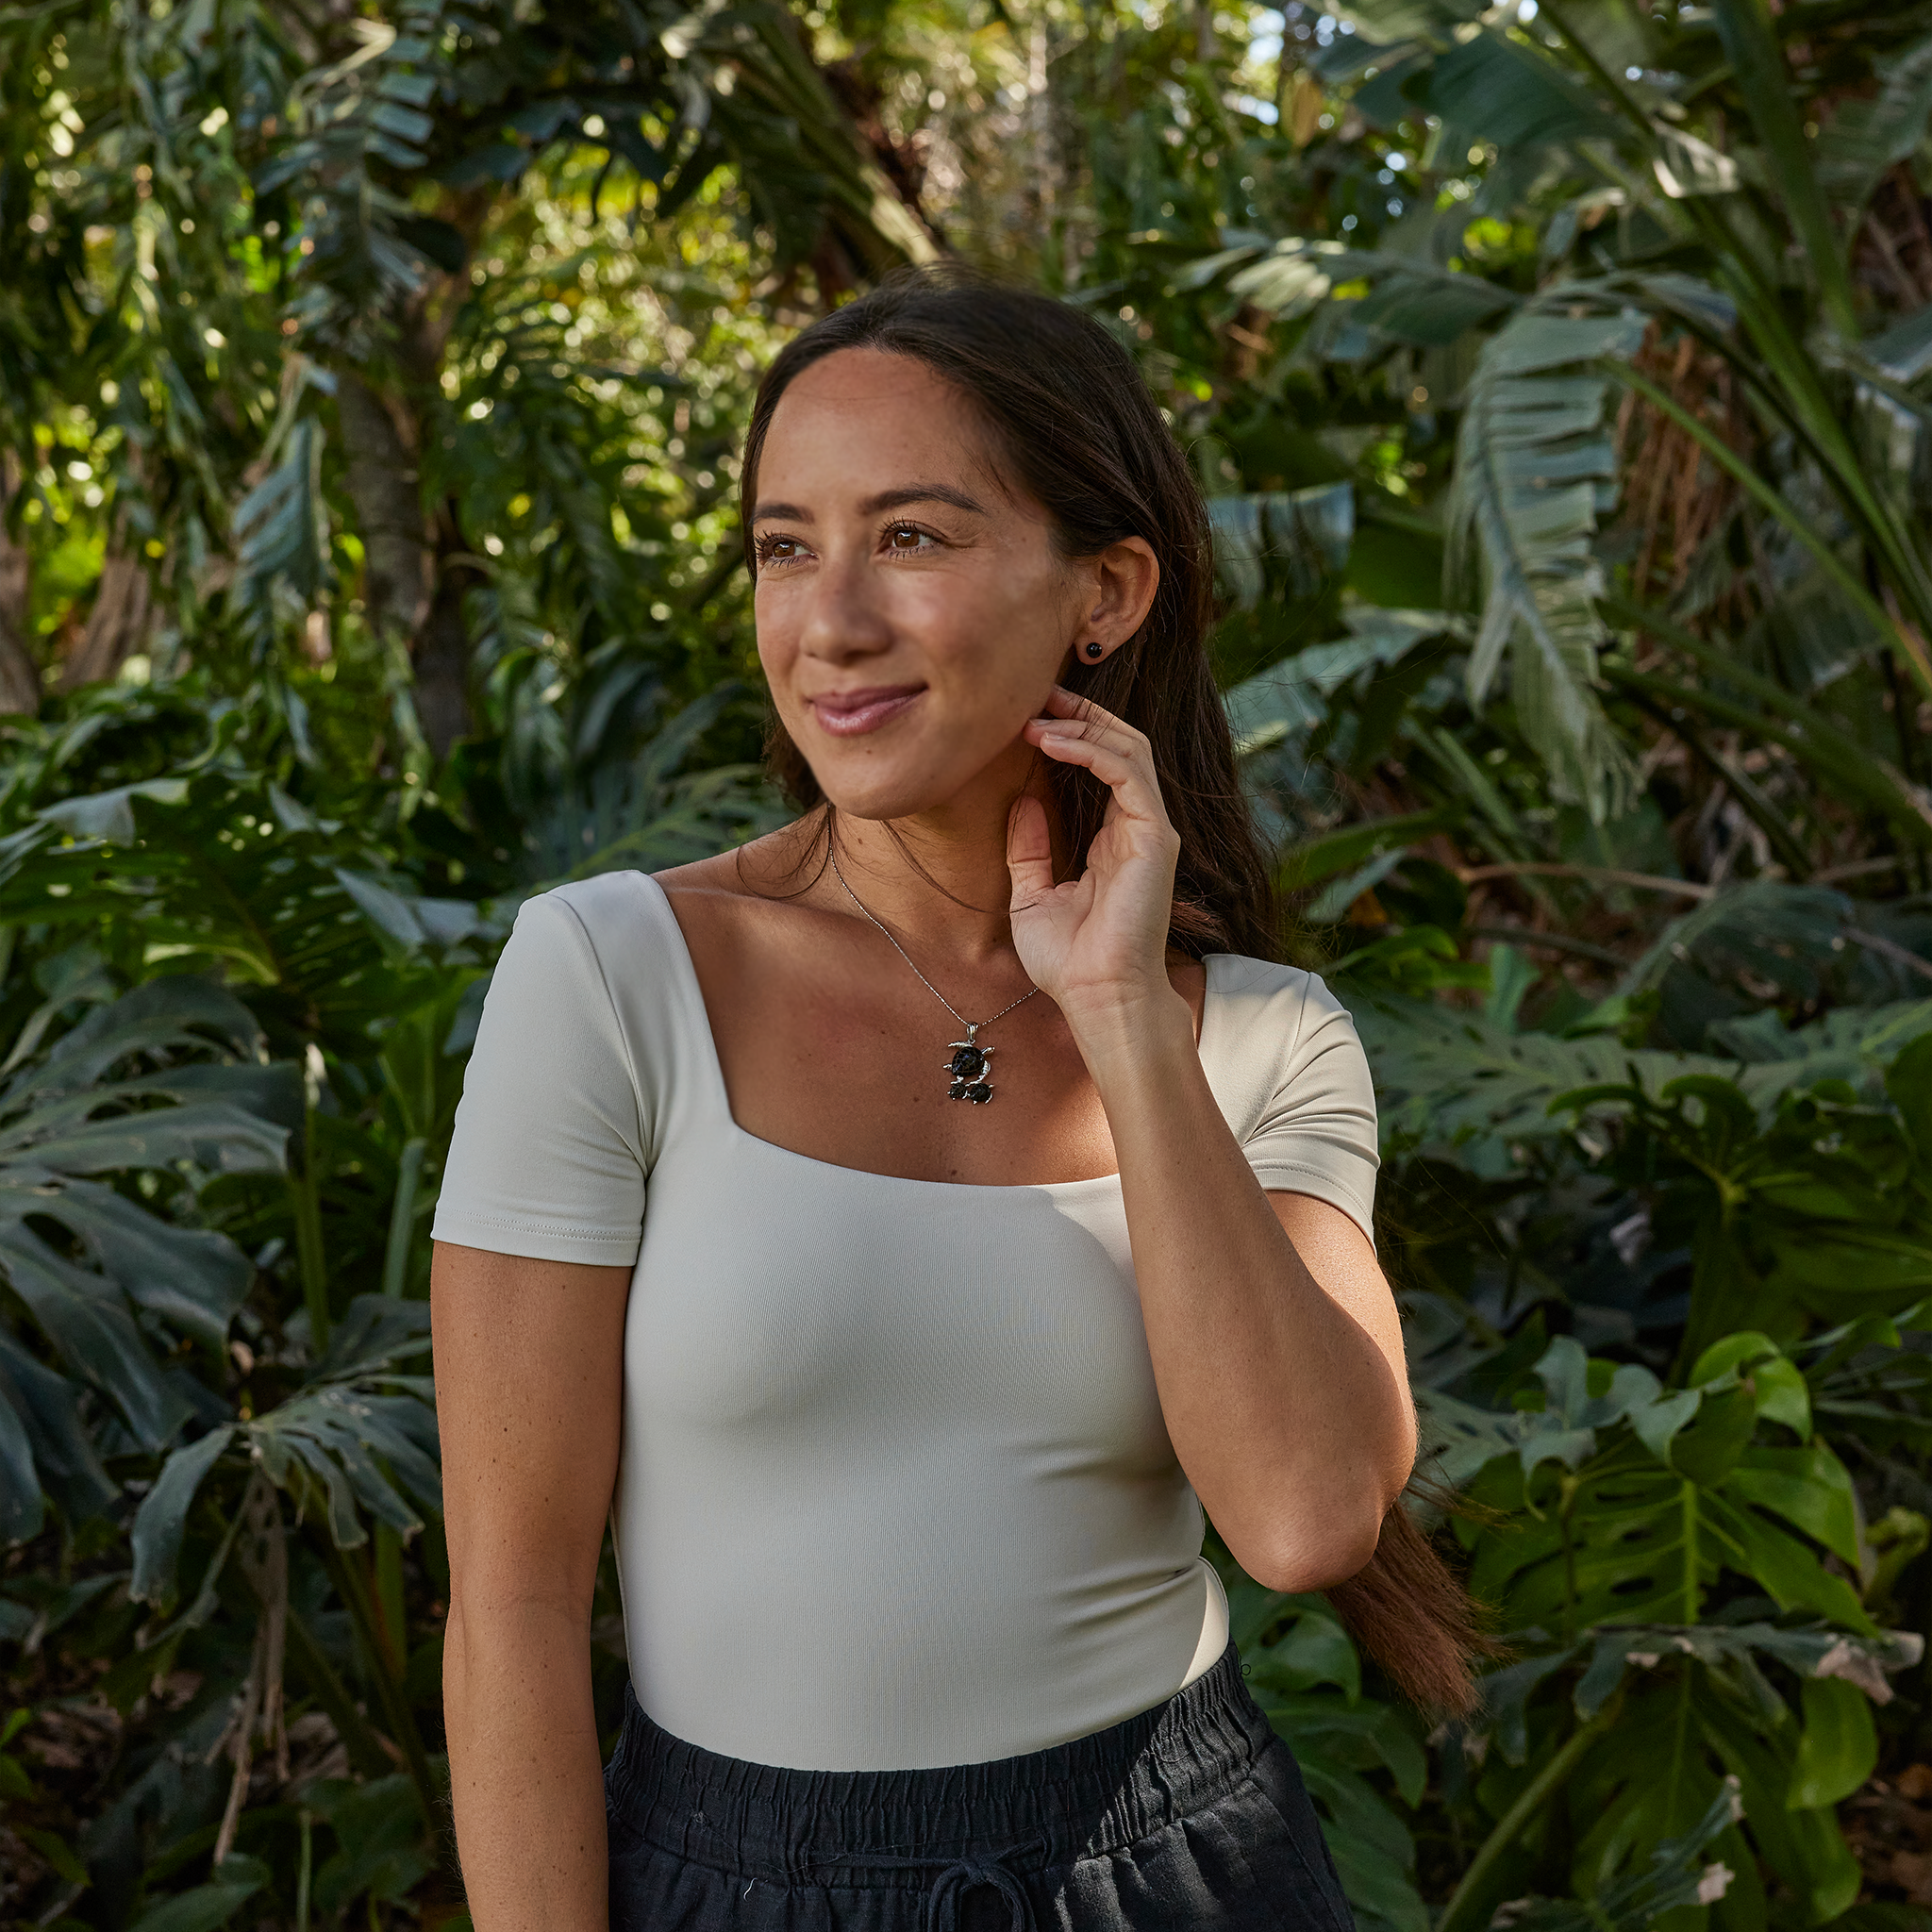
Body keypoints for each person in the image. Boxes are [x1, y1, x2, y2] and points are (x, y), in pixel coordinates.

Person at [429, 265, 1492, 1932]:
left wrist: (1128, 1020)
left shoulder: (1267, 1042)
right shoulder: (614, 977)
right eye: (787, 546)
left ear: (1109, 592)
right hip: (731, 1881)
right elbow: (508, 1600)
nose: (830, 620)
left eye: (912, 537)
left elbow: (1304, 1518)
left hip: (1182, 1871)